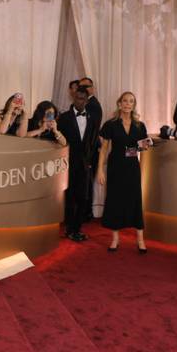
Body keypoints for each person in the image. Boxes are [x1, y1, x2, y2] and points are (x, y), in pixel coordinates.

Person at [97, 91, 150, 253]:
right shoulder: (110, 124)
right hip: (115, 166)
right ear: (119, 104)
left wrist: (146, 145)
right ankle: (115, 239)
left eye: (131, 101)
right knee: (115, 200)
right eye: (125, 101)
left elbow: (142, 148)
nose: (128, 104)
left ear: (134, 105)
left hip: (132, 167)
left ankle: (140, 239)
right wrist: (100, 169)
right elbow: (104, 148)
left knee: (135, 199)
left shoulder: (139, 125)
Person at [58, 86, 100, 242]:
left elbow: (94, 141)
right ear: (73, 98)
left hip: (85, 165)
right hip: (67, 165)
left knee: (83, 198)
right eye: (77, 98)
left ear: (87, 100)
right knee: (70, 197)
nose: (80, 101)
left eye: (83, 99)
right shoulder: (63, 118)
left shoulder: (93, 118)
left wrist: (90, 162)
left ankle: (77, 228)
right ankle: (69, 229)